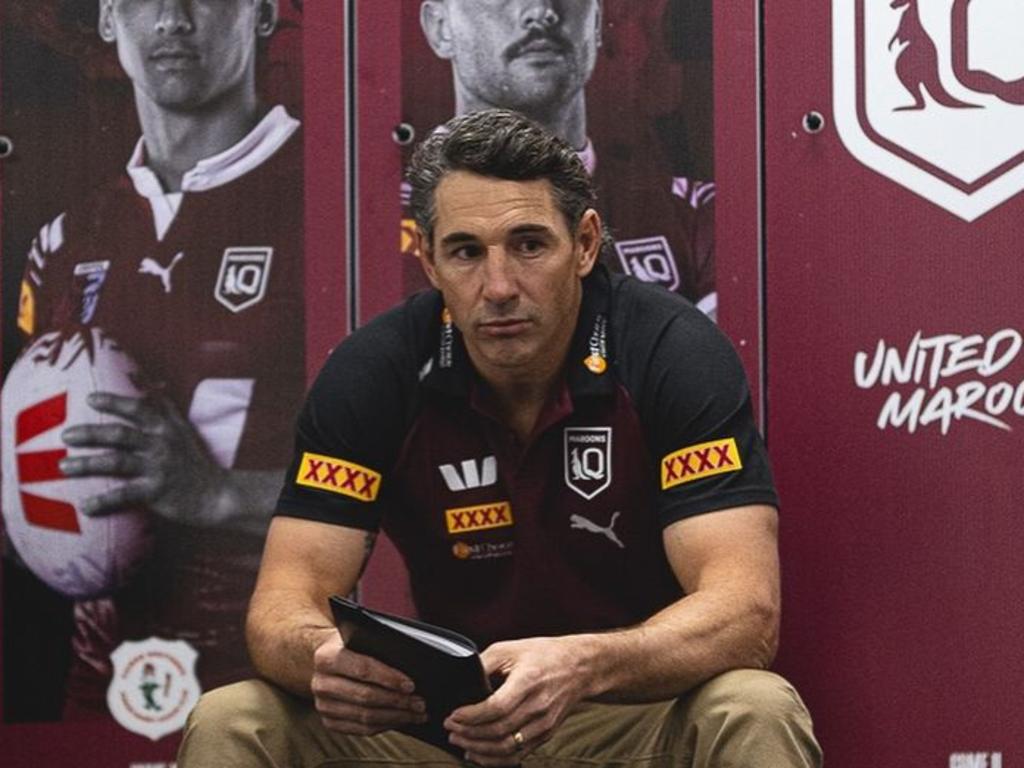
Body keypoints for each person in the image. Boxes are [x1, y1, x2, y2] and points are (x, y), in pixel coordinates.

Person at [177, 109, 820, 767]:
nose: (500, 286)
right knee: (236, 719)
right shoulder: (376, 371)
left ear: (587, 244)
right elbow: (282, 603)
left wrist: (583, 662)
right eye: (465, 252)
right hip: (444, 731)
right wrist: (324, 658)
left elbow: (745, 612)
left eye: (530, 244)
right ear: (427, 258)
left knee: (753, 705)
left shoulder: (669, 352)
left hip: (626, 715)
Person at [11, 0, 304, 716]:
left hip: (277, 697)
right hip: (108, 693)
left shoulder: (332, 199)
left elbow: (425, 475)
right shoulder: (66, 240)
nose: (172, 19)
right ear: (110, 19)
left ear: (263, 14)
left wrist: (220, 492)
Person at [404, 0, 717, 316]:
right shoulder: (381, 216)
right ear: (440, 27)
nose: (541, 11)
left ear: (596, 21)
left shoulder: (698, 213)